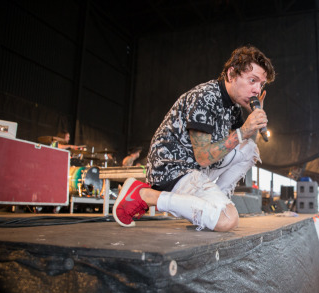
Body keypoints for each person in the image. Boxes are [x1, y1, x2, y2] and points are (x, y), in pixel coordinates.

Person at [112, 46, 275, 231]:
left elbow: (241, 142)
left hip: (198, 168)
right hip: (173, 169)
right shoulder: (205, 97)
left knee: (250, 148)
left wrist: (253, 116)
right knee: (228, 220)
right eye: (252, 80)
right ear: (231, 74)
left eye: (261, 84)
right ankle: (146, 195)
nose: (256, 89)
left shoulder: (233, 106)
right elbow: (203, 157)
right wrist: (243, 131)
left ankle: (215, 201)